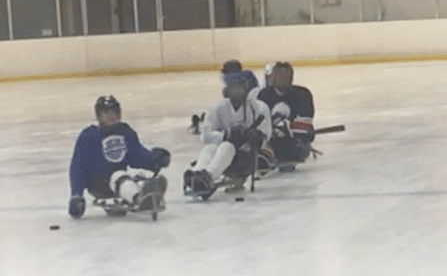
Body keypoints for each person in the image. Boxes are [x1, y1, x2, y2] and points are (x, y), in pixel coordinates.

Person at [68, 95, 169, 218]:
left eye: (114, 112)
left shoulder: (125, 132)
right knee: (118, 176)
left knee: (140, 176)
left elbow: (136, 155)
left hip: (120, 178)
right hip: (98, 183)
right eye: (106, 112)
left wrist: (154, 160)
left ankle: (147, 193)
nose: (111, 116)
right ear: (99, 115)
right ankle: (139, 198)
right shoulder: (88, 136)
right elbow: (78, 167)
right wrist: (76, 195)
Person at [183, 68, 273, 199]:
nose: (237, 92)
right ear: (226, 91)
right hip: (222, 154)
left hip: (246, 159)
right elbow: (205, 136)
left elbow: (266, 135)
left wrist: (254, 137)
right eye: (233, 88)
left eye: (240, 88)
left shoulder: (259, 107)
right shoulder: (218, 108)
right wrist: (226, 135)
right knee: (210, 148)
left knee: (227, 147)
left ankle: (209, 177)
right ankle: (198, 175)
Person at [256, 61, 317, 169]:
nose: (276, 78)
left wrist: (286, 127)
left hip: (294, 139)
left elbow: (306, 123)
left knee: (295, 149)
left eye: (284, 75)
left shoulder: (302, 94)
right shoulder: (264, 94)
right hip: (272, 138)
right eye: (276, 75)